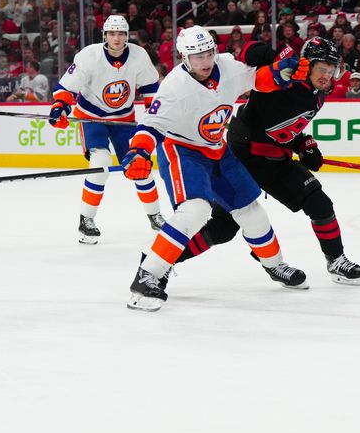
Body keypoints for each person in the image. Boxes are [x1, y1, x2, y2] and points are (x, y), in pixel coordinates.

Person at [121, 26, 310, 311]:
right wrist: (139, 152)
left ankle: (275, 265)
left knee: (251, 211)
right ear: (184, 58)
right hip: (182, 150)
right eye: (197, 57)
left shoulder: (228, 66)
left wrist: (282, 72)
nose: (205, 61)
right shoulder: (174, 87)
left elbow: (257, 79)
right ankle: (147, 275)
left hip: (216, 149)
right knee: (195, 211)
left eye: (208, 53)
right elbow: (152, 125)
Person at [173, 36, 360, 287]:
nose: (326, 76)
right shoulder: (283, 79)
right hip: (243, 158)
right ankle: (166, 260)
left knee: (319, 203)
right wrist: (279, 58)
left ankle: (336, 260)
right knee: (222, 228)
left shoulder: (319, 94)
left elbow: (286, 128)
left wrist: (303, 145)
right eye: (322, 69)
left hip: (275, 161)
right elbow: (249, 52)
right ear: (307, 64)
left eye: (331, 70)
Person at [49, 15, 165, 245]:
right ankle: (86, 220)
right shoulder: (89, 56)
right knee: (99, 162)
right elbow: (66, 87)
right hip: (92, 118)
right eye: (112, 33)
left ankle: (155, 215)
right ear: (105, 35)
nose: (117, 38)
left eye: (121, 33)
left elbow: (151, 87)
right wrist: (60, 107)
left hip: (124, 119)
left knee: (139, 165)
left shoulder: (138, 55)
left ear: (127, 35)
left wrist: (155, 117)